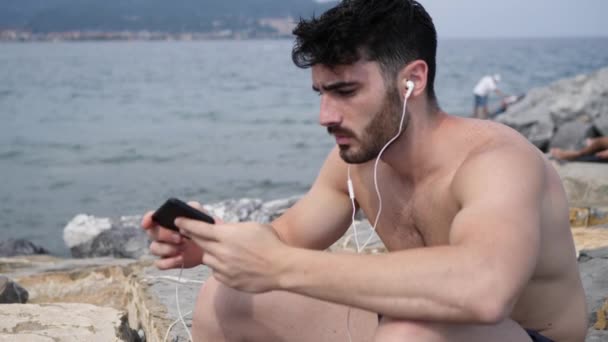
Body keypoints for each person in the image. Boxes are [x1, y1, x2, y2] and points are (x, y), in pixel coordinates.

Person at [141, 1, 587, 341]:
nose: (325, 115)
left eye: (345, 91)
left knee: (409, 335)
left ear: (412, 80)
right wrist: (216, 246)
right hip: (407, 324)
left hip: (521, 334)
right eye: (320, 92)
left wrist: (278, 266)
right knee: (226, 300)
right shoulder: (355, 164)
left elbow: (485, 289)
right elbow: (283, 240)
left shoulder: (496, 162)